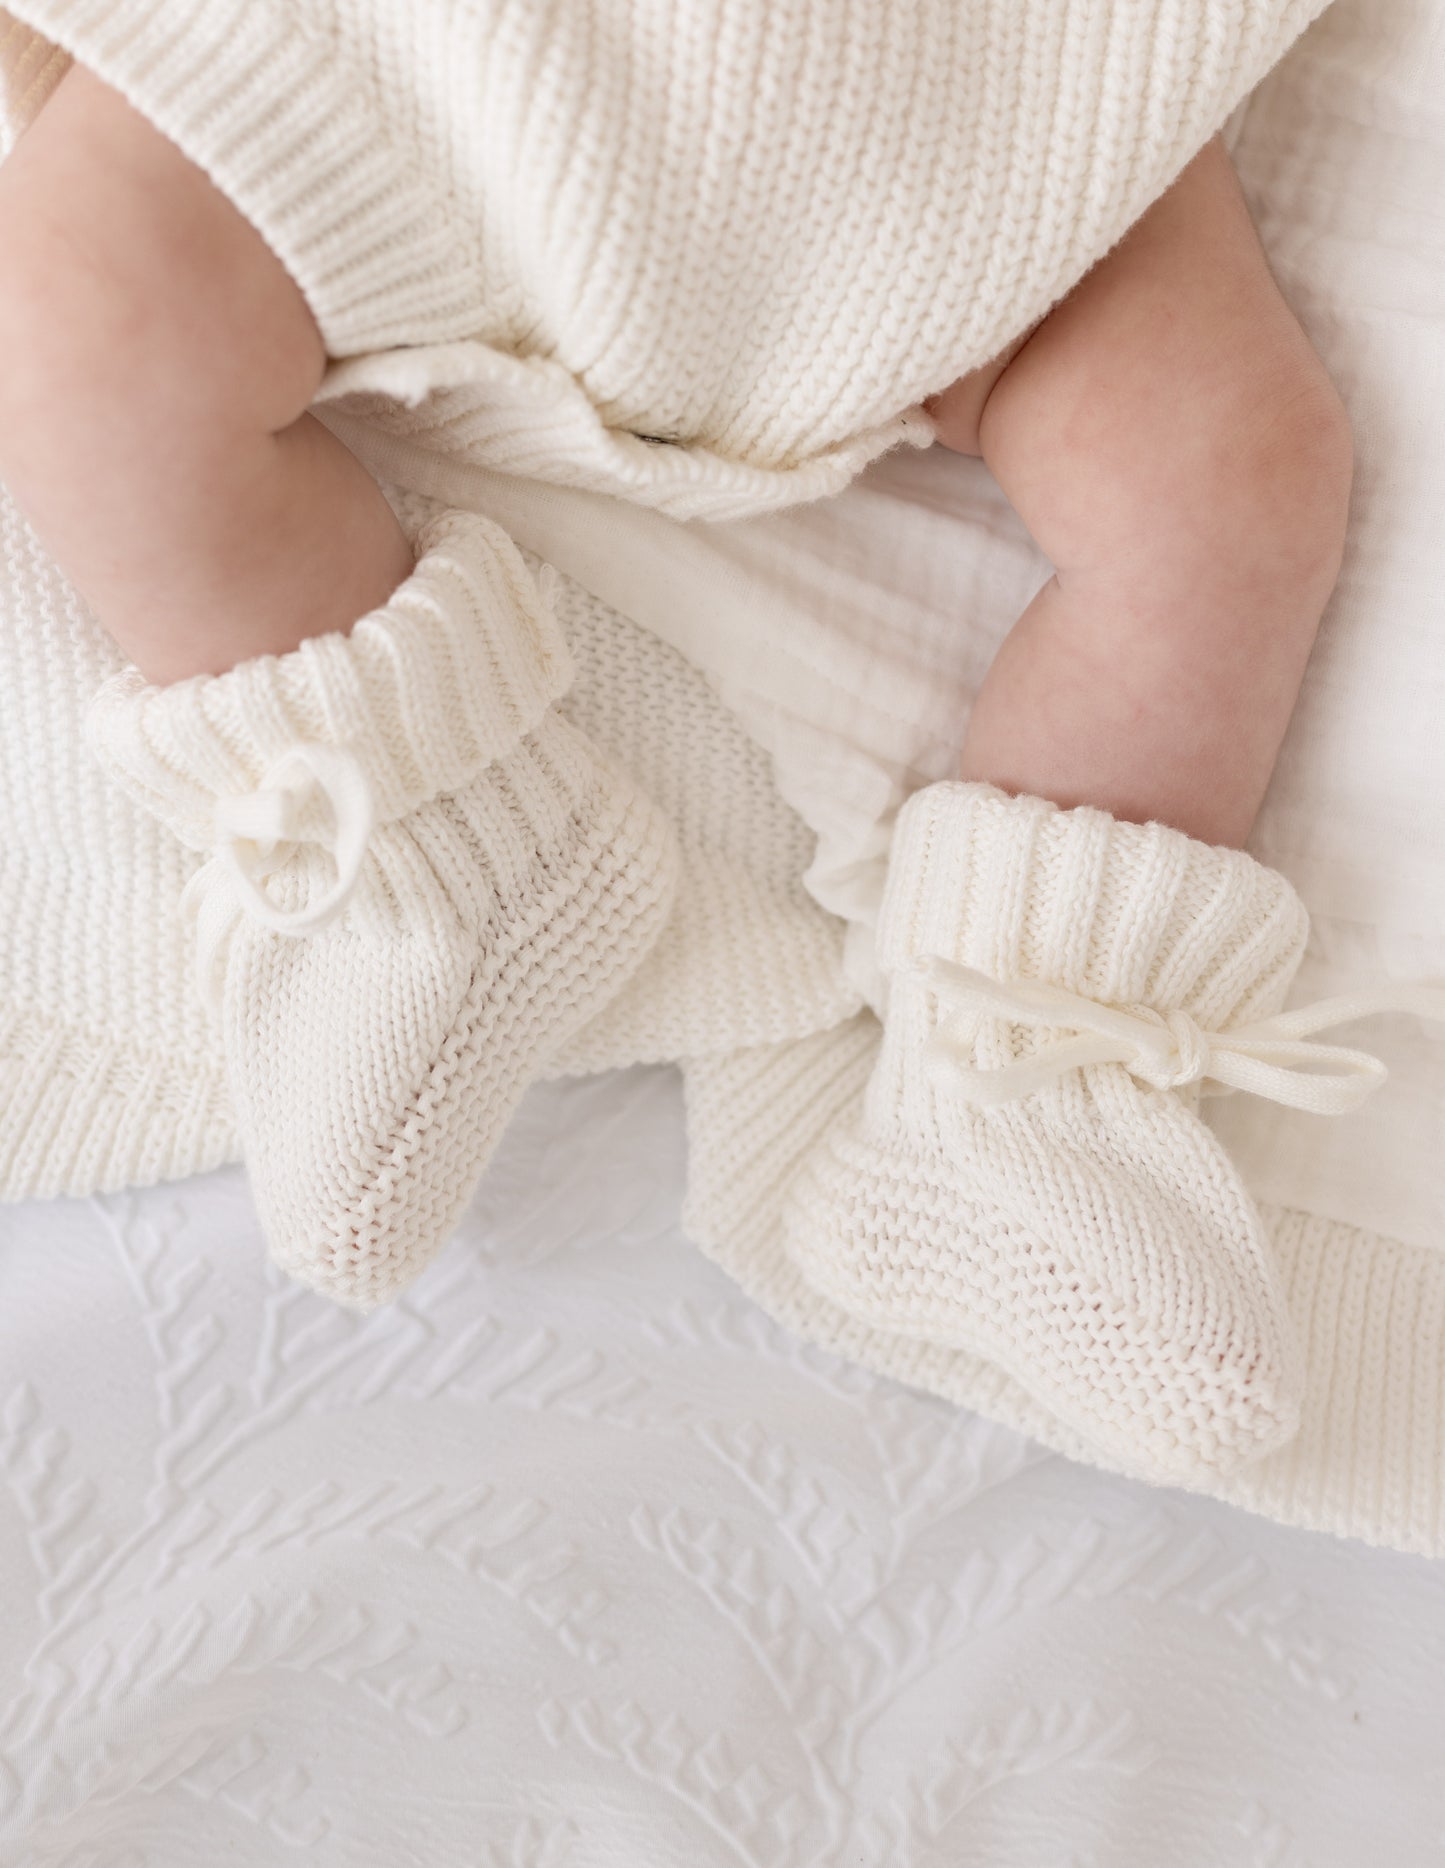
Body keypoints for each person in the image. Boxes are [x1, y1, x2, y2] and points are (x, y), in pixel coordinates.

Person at [0, 13, 1350, 1481]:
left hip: (1003, 126)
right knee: (78, 325)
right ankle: (433, 844)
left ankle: (1024, 1091)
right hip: (388, 71)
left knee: (1231, 475)